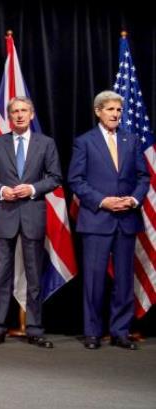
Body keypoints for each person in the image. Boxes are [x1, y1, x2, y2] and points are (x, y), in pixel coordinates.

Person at [68, 90, 150, 350]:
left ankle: (120, 331)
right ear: (98, 112)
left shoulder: (132, 140)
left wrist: (133, 200)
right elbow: (76, 180)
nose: (115, 114)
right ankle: (92, 332)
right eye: (110, 109)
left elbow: (143, 177)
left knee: (124, 279)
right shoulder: (85, 142)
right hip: (96, 218)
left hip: (126, 218)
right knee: (94, 279)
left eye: (118, 110)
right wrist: (103, 201)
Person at [0, 96, 61, 348]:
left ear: (32, 114)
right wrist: (2, 189)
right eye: (15, 111)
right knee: (1, 276)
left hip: (32, 215)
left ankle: (35, 329)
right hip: (5, 215)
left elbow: (55, 177)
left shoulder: (46, 143)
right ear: (9, 116)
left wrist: (33, 189)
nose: (19, 115)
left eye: (24, 111)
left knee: (34, 276)